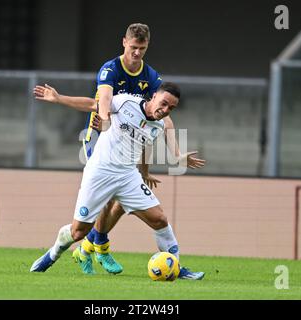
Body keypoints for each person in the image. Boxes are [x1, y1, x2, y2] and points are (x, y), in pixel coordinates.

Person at [32, 23, 205, 280]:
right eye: (133, 47)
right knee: (79, 230)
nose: (137, 53)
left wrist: (170, 158)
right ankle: (62, 250)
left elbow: (153, 132)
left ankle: (174, 266)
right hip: (101, 153)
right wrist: (78, 107)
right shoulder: (115, 80)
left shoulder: (154, 92)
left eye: (142, 49)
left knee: (158, 218)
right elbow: (98, 101)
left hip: (127, 173)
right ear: (124, 42)